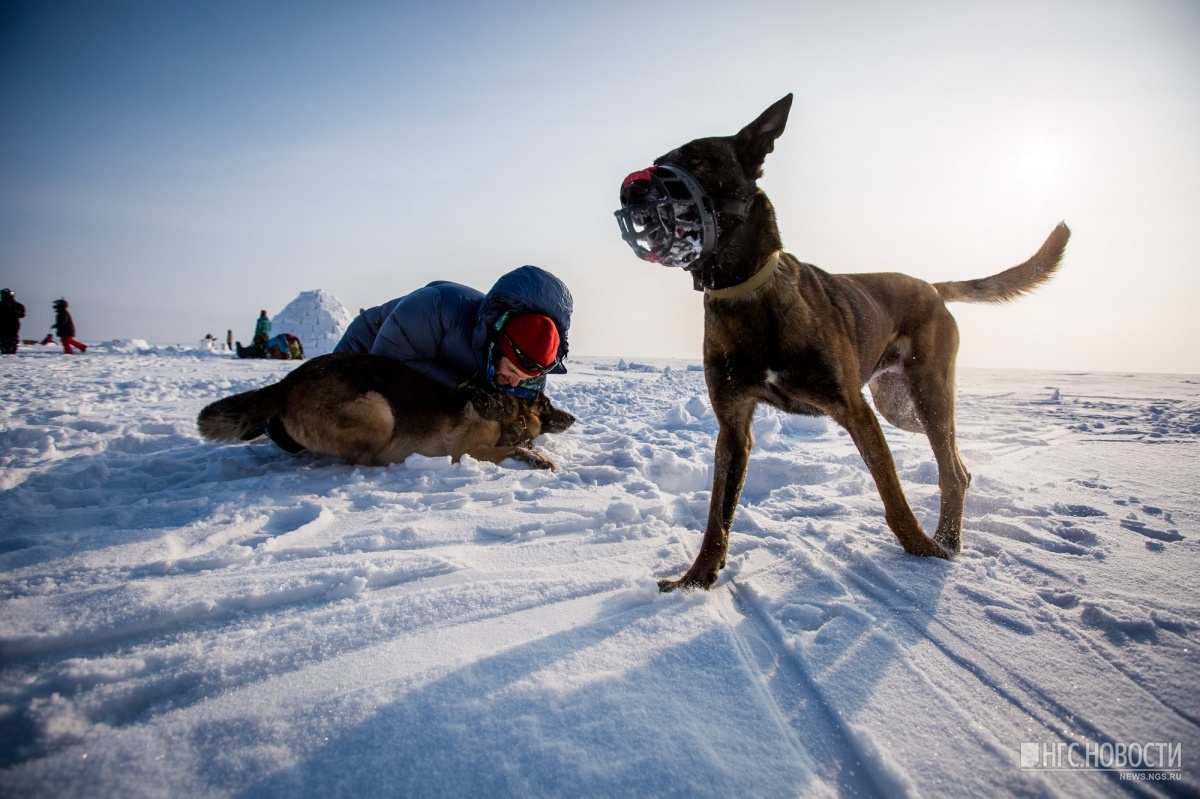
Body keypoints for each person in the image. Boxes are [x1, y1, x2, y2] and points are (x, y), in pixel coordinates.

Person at [335, 265, 572, 398]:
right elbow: (385, 368)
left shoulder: (531, 366)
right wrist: (463, 387)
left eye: (524, 378)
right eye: (511, 370)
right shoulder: (435, 308)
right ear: (497, 345)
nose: (514, 382)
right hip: (368, 348)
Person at [1, 288, 26, 354]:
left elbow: (22, 315)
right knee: (4, 338)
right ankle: (5, 350)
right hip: (3, 324)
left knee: (12, 338)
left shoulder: (17, 305)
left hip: (13, 324)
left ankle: (11, 351)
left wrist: (15, 311)